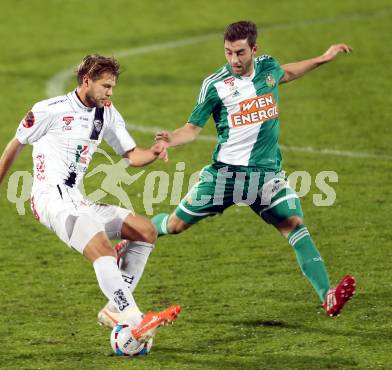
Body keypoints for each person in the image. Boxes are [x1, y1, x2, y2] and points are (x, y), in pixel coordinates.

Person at [150, 21, 356, 317]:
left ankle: (328, 296)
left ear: (254, 50)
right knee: (174, 225)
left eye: (240, 53)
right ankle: (135, 236)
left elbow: (287, 72)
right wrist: (170, 139)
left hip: (267, 176)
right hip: (226, 177)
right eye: (228, 52)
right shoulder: (215, 85)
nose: (234, 60)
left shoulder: (268, 68)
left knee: (294, 225)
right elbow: (193, 128)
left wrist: (322, 59)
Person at [0, 54, 180, 341]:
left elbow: (132, 156)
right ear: (87, 81)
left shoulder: (107, 112)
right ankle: (134, 318)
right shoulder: (50, 110)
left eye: (112, 87)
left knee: (145, 230)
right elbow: (15, 144)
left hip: (77, 199)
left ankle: (114, 307)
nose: (110, 92)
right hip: (51, 199)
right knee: (104, 250)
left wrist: (155, 151)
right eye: (105, 86)